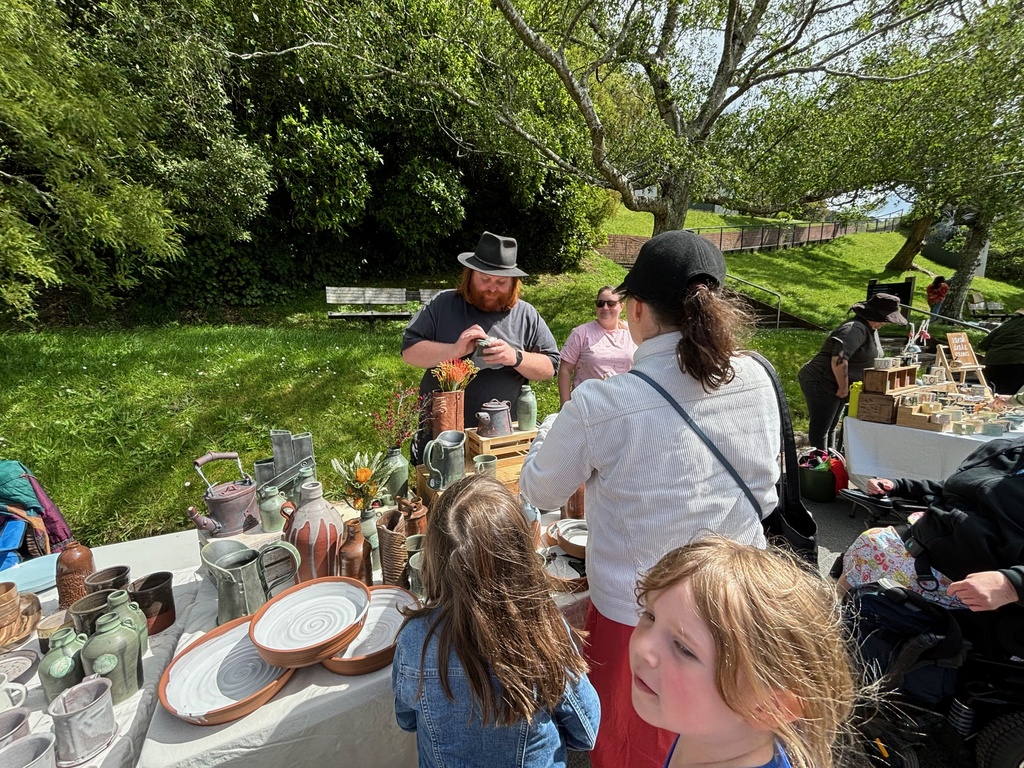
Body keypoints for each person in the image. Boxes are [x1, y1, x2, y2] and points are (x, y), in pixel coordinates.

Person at [518, 230, 781, 768]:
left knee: (634, 750)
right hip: (739, 601)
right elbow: (767, 484)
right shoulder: (758, 376)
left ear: (635, 309)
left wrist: (547, 434)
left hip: (643, 619)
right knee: (724, 744)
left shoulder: (603, 403)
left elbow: (540, 489)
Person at [391, 475, 600, 768]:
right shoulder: (543, 630)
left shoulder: (414, 639)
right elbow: (586, 733)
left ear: (434, 558)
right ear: (520, 556)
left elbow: (407, 721)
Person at [632, 537, 858, 768]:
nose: (643, 646)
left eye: (684, 649)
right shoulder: (707, 733)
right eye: (651, 616)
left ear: (770, 708)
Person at [840, 436, 1024, 658]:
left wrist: (1012, 583)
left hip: (965, 587)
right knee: (866, 550)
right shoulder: (1006, 450)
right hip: (908, 546)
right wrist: (899, 486)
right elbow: (952, 487)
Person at [401, 232, 559, 460]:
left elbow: (550, 367)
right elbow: (409, 352)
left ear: (513, 283)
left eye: (501, 282)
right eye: (485, 279)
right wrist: (455, 350)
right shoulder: (443, 304)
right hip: (443, 436)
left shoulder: (525, 314)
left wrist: (514, 357)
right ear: (470, 276)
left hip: (502, 440)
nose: (492, 288)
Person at [797, 293, 908, 450]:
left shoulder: (870, 328)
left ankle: (831, 459)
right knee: (822, 427)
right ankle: (818, 462)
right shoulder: (854, 329)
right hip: (821, 380)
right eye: (884, 320)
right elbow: (839, 359)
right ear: (874, 315)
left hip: (837, 383)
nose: (885, 323)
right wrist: (843, 388)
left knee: (832, 426)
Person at [558, 286, 637, 405]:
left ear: (621, 306)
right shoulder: (581, 333)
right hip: (588, 404)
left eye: (611, 303)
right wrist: (565, 405)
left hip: (626, 403)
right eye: (600, 303)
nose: (605, 308)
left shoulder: (633, 332)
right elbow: (565, 369)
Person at [978, 308, 1024, 394]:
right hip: (1019, 363)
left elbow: (983, 345)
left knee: (997, 395)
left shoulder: (1008, 324)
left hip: (992, 362)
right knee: (1012, 397)